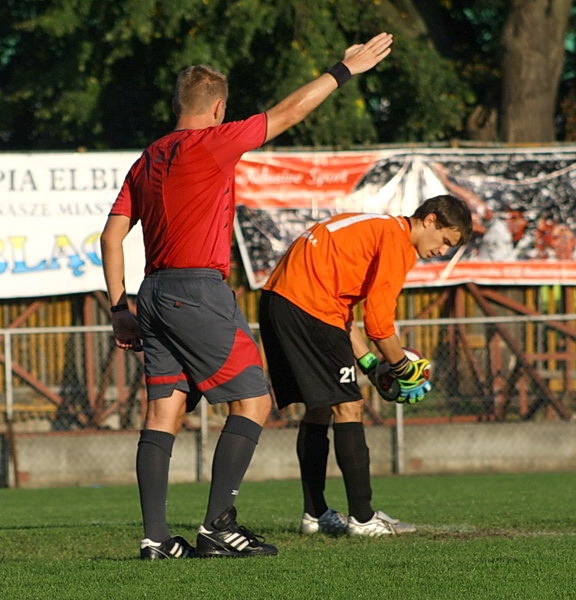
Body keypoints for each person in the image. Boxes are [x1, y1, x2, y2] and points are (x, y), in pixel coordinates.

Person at [99, 33, 394, 560]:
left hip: (152, 292)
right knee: (253, 400)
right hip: (196, 289)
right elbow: (287, 113)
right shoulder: (212, 141)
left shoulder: (148, 157)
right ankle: (217, 526)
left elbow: (111, 235)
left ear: (176, 105)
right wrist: (344, 69)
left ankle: (156, 539)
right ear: (218, 108)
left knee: (163, 411)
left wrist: (121, 307)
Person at [258, 195, 472, 537]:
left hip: (277, 302)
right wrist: (403, 368)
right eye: (446, 240)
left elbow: (343, 313)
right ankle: (362, 517)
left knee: (320, 409)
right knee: (349, 407)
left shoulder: (375, 226)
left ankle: (315, 514)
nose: (442, 250)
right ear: (430, 220)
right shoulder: (397, 241)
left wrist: (372, 366)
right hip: (308, 307)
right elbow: (379, 324)